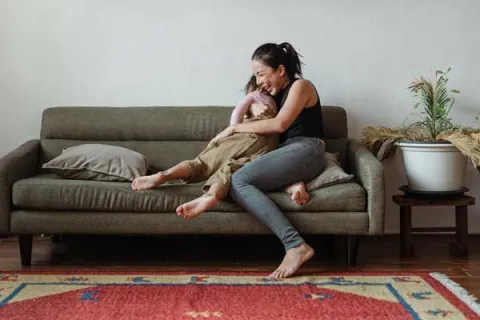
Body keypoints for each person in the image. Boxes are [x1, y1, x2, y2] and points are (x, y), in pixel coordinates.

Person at [210, 42, 326, 279]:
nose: (259, 80)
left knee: (239, 180)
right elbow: (256, 107)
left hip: (307, 148)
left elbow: (280, 124)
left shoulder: (300, 86)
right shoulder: (273, 95)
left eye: (262, 74)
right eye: (256, 75)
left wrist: (233, 129)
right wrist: (253, 111)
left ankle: (295, 245)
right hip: (286, 152)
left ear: (280, 70)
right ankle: (294, 185)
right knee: (238, 177)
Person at [130, 75, 310, 219]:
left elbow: (237, 113)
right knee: (230, 169)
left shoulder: (257, 98)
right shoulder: (279, 102)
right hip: (268, 147)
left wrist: (233, 129)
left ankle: (166, 175)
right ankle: (210, 196)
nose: (262, 86)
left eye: (261, 77)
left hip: (247, 137)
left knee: (201, 164)